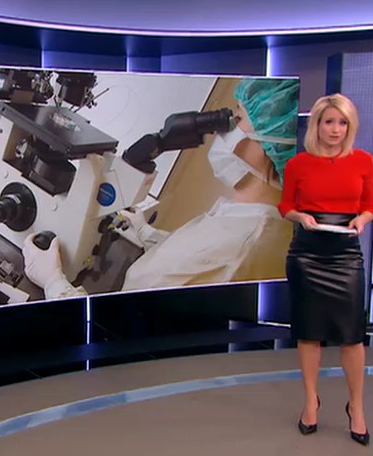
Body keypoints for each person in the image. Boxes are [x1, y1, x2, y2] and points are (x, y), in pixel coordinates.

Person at [22, 78, 300, 298]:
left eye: (238, 118)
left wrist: (54, 283)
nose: (225, 128)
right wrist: (147, 233)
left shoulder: (237, 250)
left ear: (272, 144)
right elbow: (191, 264)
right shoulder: (258, 221)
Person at [277, 93, 373, 446]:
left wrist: (363, 220)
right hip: (307, 252)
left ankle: (357, 407)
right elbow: (285, 205)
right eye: (329, 122)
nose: (336, 129)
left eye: (343, 123)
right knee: (309, 333)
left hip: (345, 253)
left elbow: (371, 204)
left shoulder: (363, 161)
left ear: (350, 127)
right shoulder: (298, 164)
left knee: (352, 336)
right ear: (317, 125)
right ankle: (311, 401)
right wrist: (300, 216)